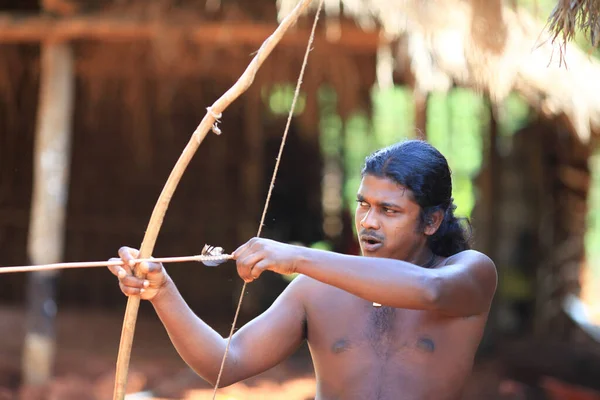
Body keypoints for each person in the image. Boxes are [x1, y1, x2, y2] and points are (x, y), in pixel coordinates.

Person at [108, 140, 497, 400]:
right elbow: (224, 364)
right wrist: (161, 291)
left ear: (432, 221)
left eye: (389, 210)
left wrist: (296, 258)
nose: (368, 222)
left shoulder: (470, 273)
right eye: (363, 205)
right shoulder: (316, 290)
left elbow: (430, 291)